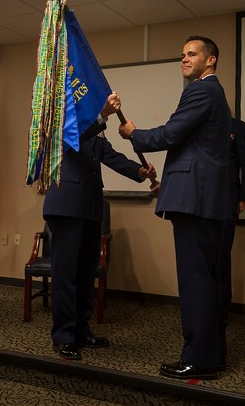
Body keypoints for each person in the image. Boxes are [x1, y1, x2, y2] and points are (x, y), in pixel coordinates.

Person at [119, 36, 231, 380]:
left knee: (196, 280)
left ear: (210, 61)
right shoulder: (215, 93)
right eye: (182, 54)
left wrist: (133, 133)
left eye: (192, 54)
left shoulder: (201, 90)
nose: (184, 59)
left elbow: (169, 135)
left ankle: (199, 360)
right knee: (207, 280)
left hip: (194, 200)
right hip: (204, 200)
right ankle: (212, 354)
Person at [43, 92, 156, 361]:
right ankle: (63, 336)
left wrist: (137, 173)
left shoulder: (94, 130)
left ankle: (81, 331)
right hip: (67, 206)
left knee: (84, 274)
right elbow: (73, 141)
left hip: (91, 207)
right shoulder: (61, 120)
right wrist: (103, 115)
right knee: (66, 275)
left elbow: (109, 155)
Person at [220, 118, 245, 319]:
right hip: (200, 202)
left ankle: (222, 311)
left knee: (222, 257)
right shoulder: (196, 123)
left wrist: (243, 196)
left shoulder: (236, 126)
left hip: (227, 200)